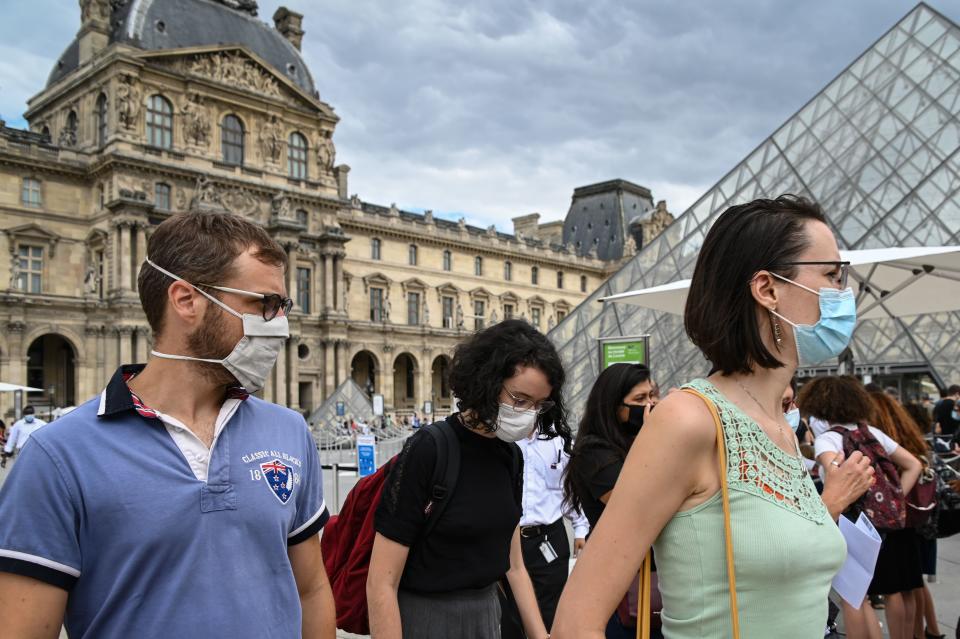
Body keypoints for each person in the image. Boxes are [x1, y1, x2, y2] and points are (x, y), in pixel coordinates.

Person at [552, 195, 875, 639]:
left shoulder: (781, 424)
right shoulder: (689, 419)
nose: (845, 293)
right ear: (768, 289)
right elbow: (575, 622)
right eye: (832, 275)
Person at [0, 212, 336, 638]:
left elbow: (310, 589)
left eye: (281, 307)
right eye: (263, 305)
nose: (280, 327)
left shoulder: (289, 431)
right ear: (186, 301)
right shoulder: (58, 457)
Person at [367, 319, 569, 639]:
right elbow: (381, 581)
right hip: (425, 618)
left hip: (487, 616)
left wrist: (540, 635)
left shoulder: (511, 456)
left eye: (538, 405)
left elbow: (513, 565)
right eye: (519, 400)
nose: (529, 413)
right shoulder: (429, 449)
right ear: (486, 382)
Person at [800, 376, 922, 639]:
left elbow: (836, 473)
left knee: (854, 596)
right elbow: (914, 464)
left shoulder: (828, 439)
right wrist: (895, 498)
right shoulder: (872, 432)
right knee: (893, 590)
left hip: (850, 521)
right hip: (884, 522)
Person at [563, 362, 660, 639]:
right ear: (613, 406)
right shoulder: (594, 452)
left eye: (652, 395)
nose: (650, 404)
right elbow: (638, 504)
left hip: (657, 574)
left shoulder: (634, 441)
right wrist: (656, 437)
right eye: (639, 399)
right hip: (622, 583)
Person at [500, 420, 590, 638]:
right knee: (509, 612)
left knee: (550, 608)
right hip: (508, 540)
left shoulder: (558, 439)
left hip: (549, 538)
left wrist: (580, 528)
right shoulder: (502, 439)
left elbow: (569, 486)